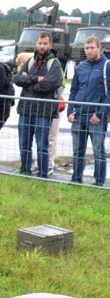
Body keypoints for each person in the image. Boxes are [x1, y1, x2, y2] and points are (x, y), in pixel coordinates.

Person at [13, 32, 63, 178]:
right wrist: (37, 79)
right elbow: (17, 79)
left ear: (50, 45)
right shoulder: (29, 62)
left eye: (45, 43)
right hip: (26, 109)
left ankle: (42, 174)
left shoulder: (54, 63)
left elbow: (51, 83)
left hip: (44, 112)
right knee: (24, 143)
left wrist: (29, 83)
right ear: (36, 44)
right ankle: (25, 171)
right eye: (40, 43)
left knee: (42, 146)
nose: (42, 46)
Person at [67, 36, 108, 186]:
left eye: (92, 47)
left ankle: (99, 182)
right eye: (86, 48)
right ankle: (76, 179)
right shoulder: (80, 67)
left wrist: (100, 114)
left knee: (98, 151)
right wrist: (70, 111)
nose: (89, 50)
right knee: (78, 151)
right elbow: (73, 90)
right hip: (79, 115)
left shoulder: (107, 66)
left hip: (96, 117)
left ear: (99, 48)